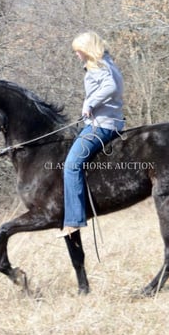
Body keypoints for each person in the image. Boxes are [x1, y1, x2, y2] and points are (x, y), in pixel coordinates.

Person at [59, 31, 124, 237]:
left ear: (86, 49)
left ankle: (74, 220)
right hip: (105, 122)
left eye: (78, 50)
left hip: (101, 125)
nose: (76, 54)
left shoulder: (99, 67)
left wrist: (90, 103)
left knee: (71, 166)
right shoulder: (107, 64)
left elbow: (111, 87)